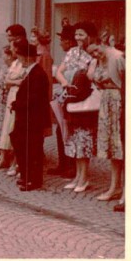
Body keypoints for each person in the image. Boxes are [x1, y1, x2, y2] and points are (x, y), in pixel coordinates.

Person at [57, 22, 98, 192]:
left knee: (84, 138)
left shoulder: (93, 54)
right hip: (70, 96)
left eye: (82, 34)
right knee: (73, 138)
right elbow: (59, 71)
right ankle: (77, 176)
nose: (78, 38)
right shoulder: (72, 52)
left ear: (89, 36)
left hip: (84, 99)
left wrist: (82, 74)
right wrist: (66, 82)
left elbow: (90, 77)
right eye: (77, 35)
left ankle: (84, 177)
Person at [10, 40, 52, 191]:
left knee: (33, 150)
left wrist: (16, 104)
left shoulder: (38, 74)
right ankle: (26, 176)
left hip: (33, 119)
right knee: (23, 146)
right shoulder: (32, 72)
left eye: (20, 57)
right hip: (26, 118)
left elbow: (33, 99)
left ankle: (34, 180)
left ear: (26, 58)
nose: (19, 60)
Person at [87, 41, 125, 201]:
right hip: (106, 103)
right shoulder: (98, 61)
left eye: (96, 50)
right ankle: (114, 187)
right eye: (91, 54)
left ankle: (124, 190)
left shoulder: (117, 57)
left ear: (102, 43)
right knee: (112, 148)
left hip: (119, 103)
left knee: (121, 145)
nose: (95, 55)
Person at [0, 24, 28, 177]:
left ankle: (15, 162)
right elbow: (7, 80)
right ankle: (6, 159)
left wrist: (13, 82)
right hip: (11, 96)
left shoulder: (24, 64)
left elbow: (21, 81)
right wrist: (13, 82)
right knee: (8, 128)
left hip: (18, 96)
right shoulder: (15, 63)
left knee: (16, 129)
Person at [48, 25, 76, 177]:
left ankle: (71, 166)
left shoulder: (74, 55)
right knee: (61, 130)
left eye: (63, 40)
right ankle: (63, 164)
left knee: (68, 130)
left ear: (69, 41)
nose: (60, 43)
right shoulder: (68, 55)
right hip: (64, 96)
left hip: (71, 96)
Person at [0, 46, 15, 169]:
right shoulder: (2, 68)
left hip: (9, 102)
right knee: (0, 129)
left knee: (8, 129)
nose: (2, 57)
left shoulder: (14, 68)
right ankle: (3, 156)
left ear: (9, 55)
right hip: (0, 102)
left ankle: (10, 157)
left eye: (3, 54)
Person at [30, 27, 54, 101]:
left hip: (40, 90)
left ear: (40, 38)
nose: (31, 39)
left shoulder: (43, 54)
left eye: (34, 36)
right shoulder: (39, 52)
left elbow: (45, 75)